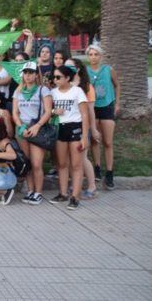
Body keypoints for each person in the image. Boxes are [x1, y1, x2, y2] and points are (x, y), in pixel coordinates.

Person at [49, 65, 90, 211]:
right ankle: (63, 193)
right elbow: (47, 110)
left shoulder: (77, 91)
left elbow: (85, 114)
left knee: (76, 164)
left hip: (75, 127)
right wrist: (54, 111)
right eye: (54, 77)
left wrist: (85, 136)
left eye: (58, 77)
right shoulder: (53, 92)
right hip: (60, 128)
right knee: (61, 163)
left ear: (67, 78)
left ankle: (75, 196)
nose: (55, 80)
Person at [11, 61, 53, 205]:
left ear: (36, 75)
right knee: (27, 163)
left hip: (37, 129)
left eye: (31, 73)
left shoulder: (43, 90)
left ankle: (38, 192)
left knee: (36, 163)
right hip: (22, 129)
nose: (28, 75)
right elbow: (15, 113)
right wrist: (20, 126)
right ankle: (30, 190)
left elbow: (48, 111)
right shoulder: (18, 91)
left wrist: (37, 126)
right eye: (26, 73)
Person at [85, 44, 119, 190]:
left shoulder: (108, 69)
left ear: (101, 56)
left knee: (108, 142)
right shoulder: (85, 71)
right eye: (91, 54)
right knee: (94, 140)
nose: (93, 57)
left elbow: (117, 85)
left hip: (106, 106)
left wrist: (117, 104)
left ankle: (109, 172)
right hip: (92, 108)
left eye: (96, 54)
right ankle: (97, 167)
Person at [66, 58, 100, 199]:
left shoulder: (86, 87)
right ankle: (76, 185)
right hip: (67, 125)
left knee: (83, 158)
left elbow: (90, 111)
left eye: (70, 66)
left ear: (78, 69)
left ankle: (92, 186)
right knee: (70, 159)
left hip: (82, 126)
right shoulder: (65, 84)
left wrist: (93, 129)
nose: (66, 68)